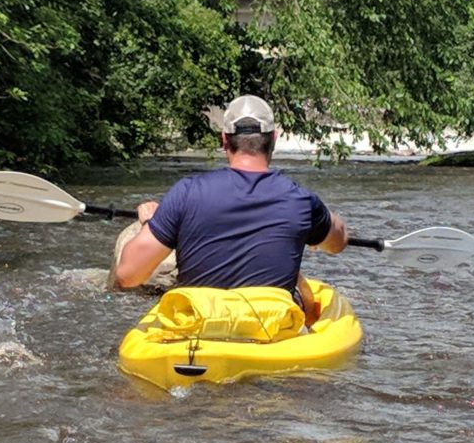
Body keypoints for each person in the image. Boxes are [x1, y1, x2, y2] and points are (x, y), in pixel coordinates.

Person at [114, 95, 349, 322]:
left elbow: (127, 275)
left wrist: (153, 224)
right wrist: (317, 228)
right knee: (302, 289)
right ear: (274, 139)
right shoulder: (301, 200)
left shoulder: (186, 193)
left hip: (198, 332)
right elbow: (338, 243)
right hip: (270, 333)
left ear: (224, 139)